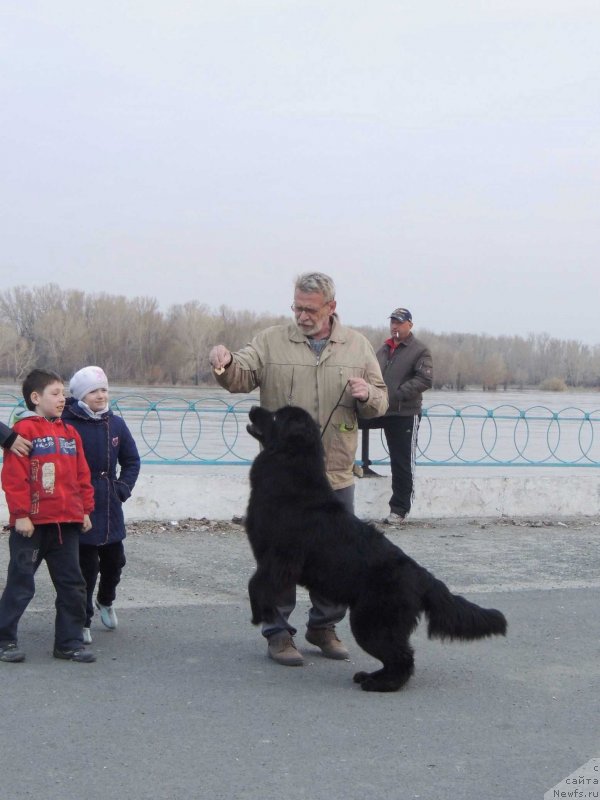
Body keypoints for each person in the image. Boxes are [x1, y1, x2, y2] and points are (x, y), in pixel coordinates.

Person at [209, 272, 388, 666]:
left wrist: (368, 395)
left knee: (336, 556)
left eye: (310, 309)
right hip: (283, 480)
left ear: (331, 308)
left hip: (336, 472)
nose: (301, 316)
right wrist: (223, 364)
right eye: (297, 307)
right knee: (280, 555)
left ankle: (324, 625)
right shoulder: (271, 340)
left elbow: (381, 401)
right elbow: (242, 374)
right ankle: (277, 632)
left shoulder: (357, 346)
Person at [0, 368, 96, 663]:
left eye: (64, 394)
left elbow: (82, 475)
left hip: (65, 524)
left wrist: (85, 510)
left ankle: (68, 642)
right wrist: (21, 515)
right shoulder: (24, 433)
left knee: (72, 584)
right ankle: (4, 640)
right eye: (55, 394)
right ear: (35, 397)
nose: (62, 399)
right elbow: (15, 478)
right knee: (21, 583)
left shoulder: (70, 433)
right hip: (32, 526)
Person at [63, 366, 140, 644]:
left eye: (104, 389)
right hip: (80, 503)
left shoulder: (116, 424)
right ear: (82, 395)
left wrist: (122, 489)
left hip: (110, 503)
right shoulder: (67, 423)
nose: (101, 395)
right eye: (94, 391)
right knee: (86, 568)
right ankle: (82, 621)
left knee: (115, 560)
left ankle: (105, 600)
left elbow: (132, 461)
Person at [375, 307, 433, 525]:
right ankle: (358, 468)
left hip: (404, 413)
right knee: (346, 426)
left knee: (401, 462)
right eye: (392, 322)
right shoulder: (383, 349)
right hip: (379, 409)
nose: (394, 326)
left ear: (410, 324)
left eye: (399, 322)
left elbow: (425, 380)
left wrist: (398, 394)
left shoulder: (420, 350)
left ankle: (399, 509)